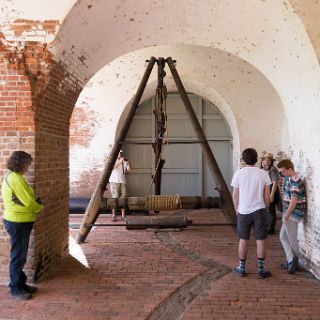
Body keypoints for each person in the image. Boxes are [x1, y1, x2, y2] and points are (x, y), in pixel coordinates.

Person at [1, 151, 44, 300]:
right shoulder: (15, 179)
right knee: (18, 256)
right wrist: (40, 208)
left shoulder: (15, 177)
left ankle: (20, 283)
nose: (28, 166)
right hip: (18, 222)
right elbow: (28, 201)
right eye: (28, 163)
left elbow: (25, 198)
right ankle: (15, 289)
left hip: (20, 221)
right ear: (20, 163)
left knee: (20, 255)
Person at [231, 148, 272, 279]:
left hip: (243, 211)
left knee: (243, 240)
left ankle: (241, 269)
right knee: (260, 241)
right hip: (259, 210)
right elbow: (267, 195)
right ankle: (261, 270)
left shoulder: (239, 173)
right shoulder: (263, 173)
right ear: (256, 159)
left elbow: (235, 195)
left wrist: (237, 210)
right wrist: (265, 208)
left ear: (244, 159)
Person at [277, 159, 306, 274]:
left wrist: (287, 215)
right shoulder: (290, 179)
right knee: (283, 236)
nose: (282, 174)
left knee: (291, 238)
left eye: (283, 172)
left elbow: (294, 200)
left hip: (294, 213)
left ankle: (296, 261)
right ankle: (291, 260)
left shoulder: (295, 181)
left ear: (290, 169)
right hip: (290, 212)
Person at [260, 153, 282, 234]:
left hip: (270, 190)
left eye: (269, 160)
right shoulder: (263, 169)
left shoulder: (273, 169)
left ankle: (271, 227)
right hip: (264, 191)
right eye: (265, 160)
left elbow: (275, 182)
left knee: (270, 209)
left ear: (271, 161)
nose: (267, 161)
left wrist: (272, 194)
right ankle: (266, 226)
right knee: (265, 209)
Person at [109, 150, 131, 221]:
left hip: (123, 182)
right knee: (114, 198)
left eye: (121, 153)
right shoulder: (113, 160)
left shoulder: (123, 161)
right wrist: (120, 162)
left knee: (123, 199)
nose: (120, 154)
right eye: (118, 153)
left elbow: (130, 170)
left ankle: (123, 216)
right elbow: (112, 167)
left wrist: (128, 163)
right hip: (114, 181)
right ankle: (113, 215)